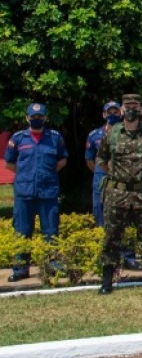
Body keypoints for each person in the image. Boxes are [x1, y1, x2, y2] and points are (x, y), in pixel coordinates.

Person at [95, 94, 142, 294]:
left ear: (141, 109)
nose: (131, 109)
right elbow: (102, 159)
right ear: (122, 109)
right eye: (128, 106)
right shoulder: (112, 133)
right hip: (117, 194)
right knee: (112, 237)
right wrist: (119, 178)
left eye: (135, 105)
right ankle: (107, 280)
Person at [4, 103, 68, 282]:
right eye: (33, 117)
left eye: (40, 117)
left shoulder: (55, 138)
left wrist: (46, 174)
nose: (36, 120)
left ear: (45, 118)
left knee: (51, 230)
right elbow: (9, 163)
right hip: (24, 192)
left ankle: (52, 265)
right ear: (27, 118)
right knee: (22, 231)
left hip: (48, 192)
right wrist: (26, 174)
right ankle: (20, 268)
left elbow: (62, 160)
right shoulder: (18, 138)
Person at [85, 101, 121, 227]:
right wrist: (100, 172)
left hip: (121, 180)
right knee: (99, 211)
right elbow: (90, 160)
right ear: (103, 115)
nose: (112, 114)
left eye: (115, 111)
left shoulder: (129, 134)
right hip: (101, 180)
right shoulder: (94, 135)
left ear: (120, 113)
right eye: (109, 112)